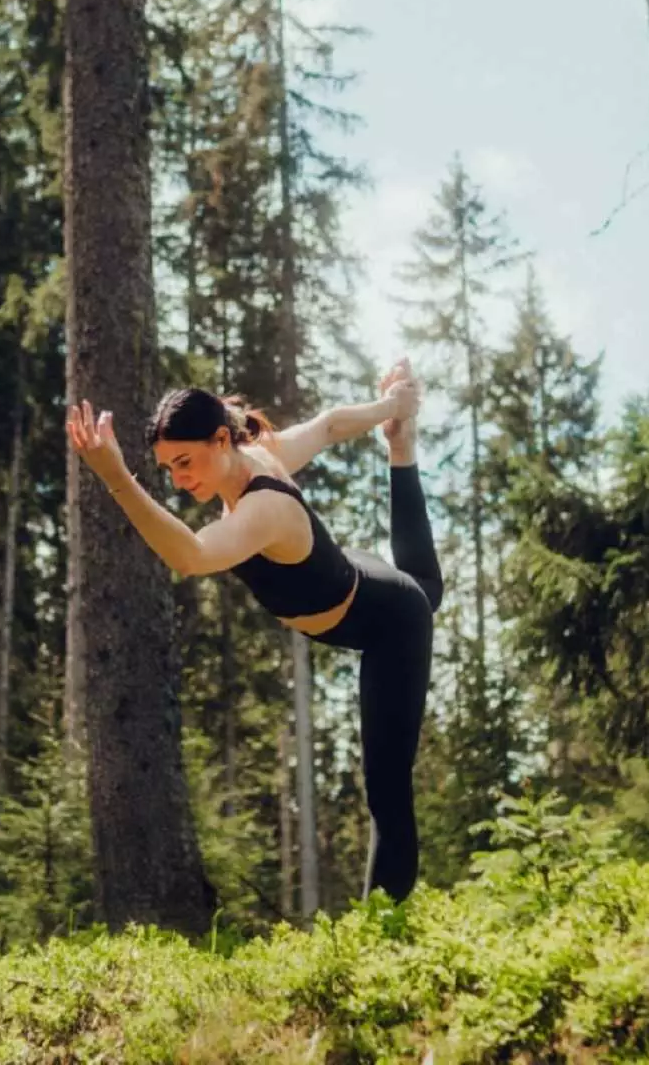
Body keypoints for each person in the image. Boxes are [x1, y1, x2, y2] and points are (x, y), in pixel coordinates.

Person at [66, 359, 442, 902]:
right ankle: (401, 444)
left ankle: (381, 936)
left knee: (386, 787)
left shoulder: (264, 505)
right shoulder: (254, 457)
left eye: (186, 461)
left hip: (384, 623)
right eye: (168, 468)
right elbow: (329, 426)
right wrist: (390, 407)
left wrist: (116, 478)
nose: (179, 479)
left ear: (222, 440)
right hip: (353, 575)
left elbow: (191, 556)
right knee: (424, 588)